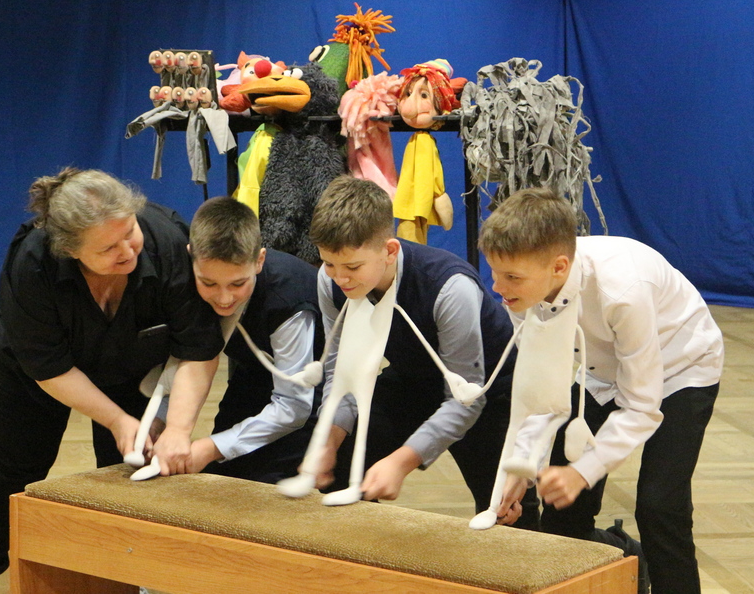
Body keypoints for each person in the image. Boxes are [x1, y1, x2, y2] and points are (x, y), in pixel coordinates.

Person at [0, 168, 224, 594]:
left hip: (132, 357)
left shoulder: (168, 241)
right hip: (40, 368)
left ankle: (138, 573)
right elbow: (49, 368)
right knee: (18, 459)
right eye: (108, 248)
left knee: (133, 463)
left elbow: (198, 347)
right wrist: (116, 420)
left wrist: (177, 428)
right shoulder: (33, 263)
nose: (128, 250)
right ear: (69, 250)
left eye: (130, 232)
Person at [478, 187, 723, 594]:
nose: (498, 287)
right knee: (562, 507)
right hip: (601, 368)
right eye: (495, 273)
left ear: (559, 267)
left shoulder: (622, 290)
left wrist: (582, 471)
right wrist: (523, 467)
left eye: (511, 277)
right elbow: (540, 385)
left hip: (682, 367)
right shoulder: (525, 288)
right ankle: (620, 557)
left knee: (660, 507)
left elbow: (642, 406)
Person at [305, 175, 536, 525]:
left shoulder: (450, 288)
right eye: (329, 264)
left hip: (489, 390)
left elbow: (466, 399)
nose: (341, 278)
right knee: (341, 458)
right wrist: (327, 440)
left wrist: (401, 462)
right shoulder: (330, 280)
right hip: (413, 376)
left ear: (390, 250)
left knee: (507, 516)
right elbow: (341, 370)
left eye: (353, 267)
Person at [179, 196, 322, 482]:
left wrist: (210, 447)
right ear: (191, 256)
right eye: (209, 283)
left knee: (270, 484)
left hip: (315, 390)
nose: (224, 298)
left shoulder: (287, 299)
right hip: (253, 374)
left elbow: (294, 406)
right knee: (220, 475)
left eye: (237, 283)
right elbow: (183, 359)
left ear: (259, 260)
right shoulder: (184, 281)